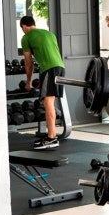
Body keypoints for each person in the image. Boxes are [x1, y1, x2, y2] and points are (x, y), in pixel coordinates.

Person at [19, 16, 65, 150]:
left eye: (22, 29)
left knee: (48, 102)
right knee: (51, 101)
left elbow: (28, 62)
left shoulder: (26, 37)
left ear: (24, 27)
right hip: (60, 67)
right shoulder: (49, 34)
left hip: (49, 69)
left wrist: (28, 82)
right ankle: (52, 135)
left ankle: (51, 138)